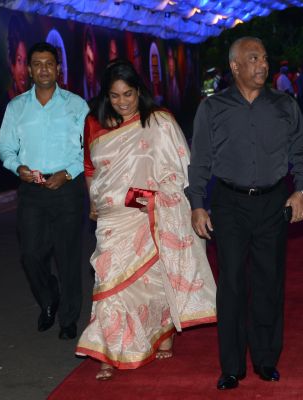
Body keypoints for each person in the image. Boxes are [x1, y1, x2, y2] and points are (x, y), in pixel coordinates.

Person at [75, 59, 217, 380]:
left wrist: (153, 198)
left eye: (128, 94)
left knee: (150, 279)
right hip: (111, 217)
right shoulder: (94, 121)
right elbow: (90, 167)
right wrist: (93, 201)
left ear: (139, 91)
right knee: (107, 279)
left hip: (147, 213)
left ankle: (163, 329)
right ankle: (109, 350)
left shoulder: (158, 121)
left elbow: (179, 170)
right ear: (106, 95)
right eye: (114, 96)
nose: (122, 102)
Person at [188, 36, 303, 390]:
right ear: (235, 66)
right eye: (254, 58)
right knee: (231, 283)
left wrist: (302, 190)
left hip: (273, 203)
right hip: (229, 203)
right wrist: (197, 204)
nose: (263, 65)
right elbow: (200, 160)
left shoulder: (284, 104)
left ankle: (265, 359)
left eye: (265, 58)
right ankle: (231, 367)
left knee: (268, 281)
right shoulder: (213, 108)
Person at [0, 42, 89, 340]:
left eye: (49, 63)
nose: (44, 69)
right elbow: (5, 146)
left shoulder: (76, 105)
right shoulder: (16, 107)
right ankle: (49, 298)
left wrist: (68, 172)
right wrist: (17, 167)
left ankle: (68, 319)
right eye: (37, 64)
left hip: (68, 188)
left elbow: (90, 148)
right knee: (30, 254)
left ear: (58, 68)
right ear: (29, 70)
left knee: (68, 256)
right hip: (32, 190)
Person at [7, 15, 29, 99]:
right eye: (19, 61)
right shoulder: (5, 103)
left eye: (25, 62)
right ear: (12, 66)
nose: (23, 71)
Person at [83, 26, 100, 100]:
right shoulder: (77, 92)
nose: (90, 70)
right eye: (88, 60)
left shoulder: (100, 90)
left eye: (92, 63)